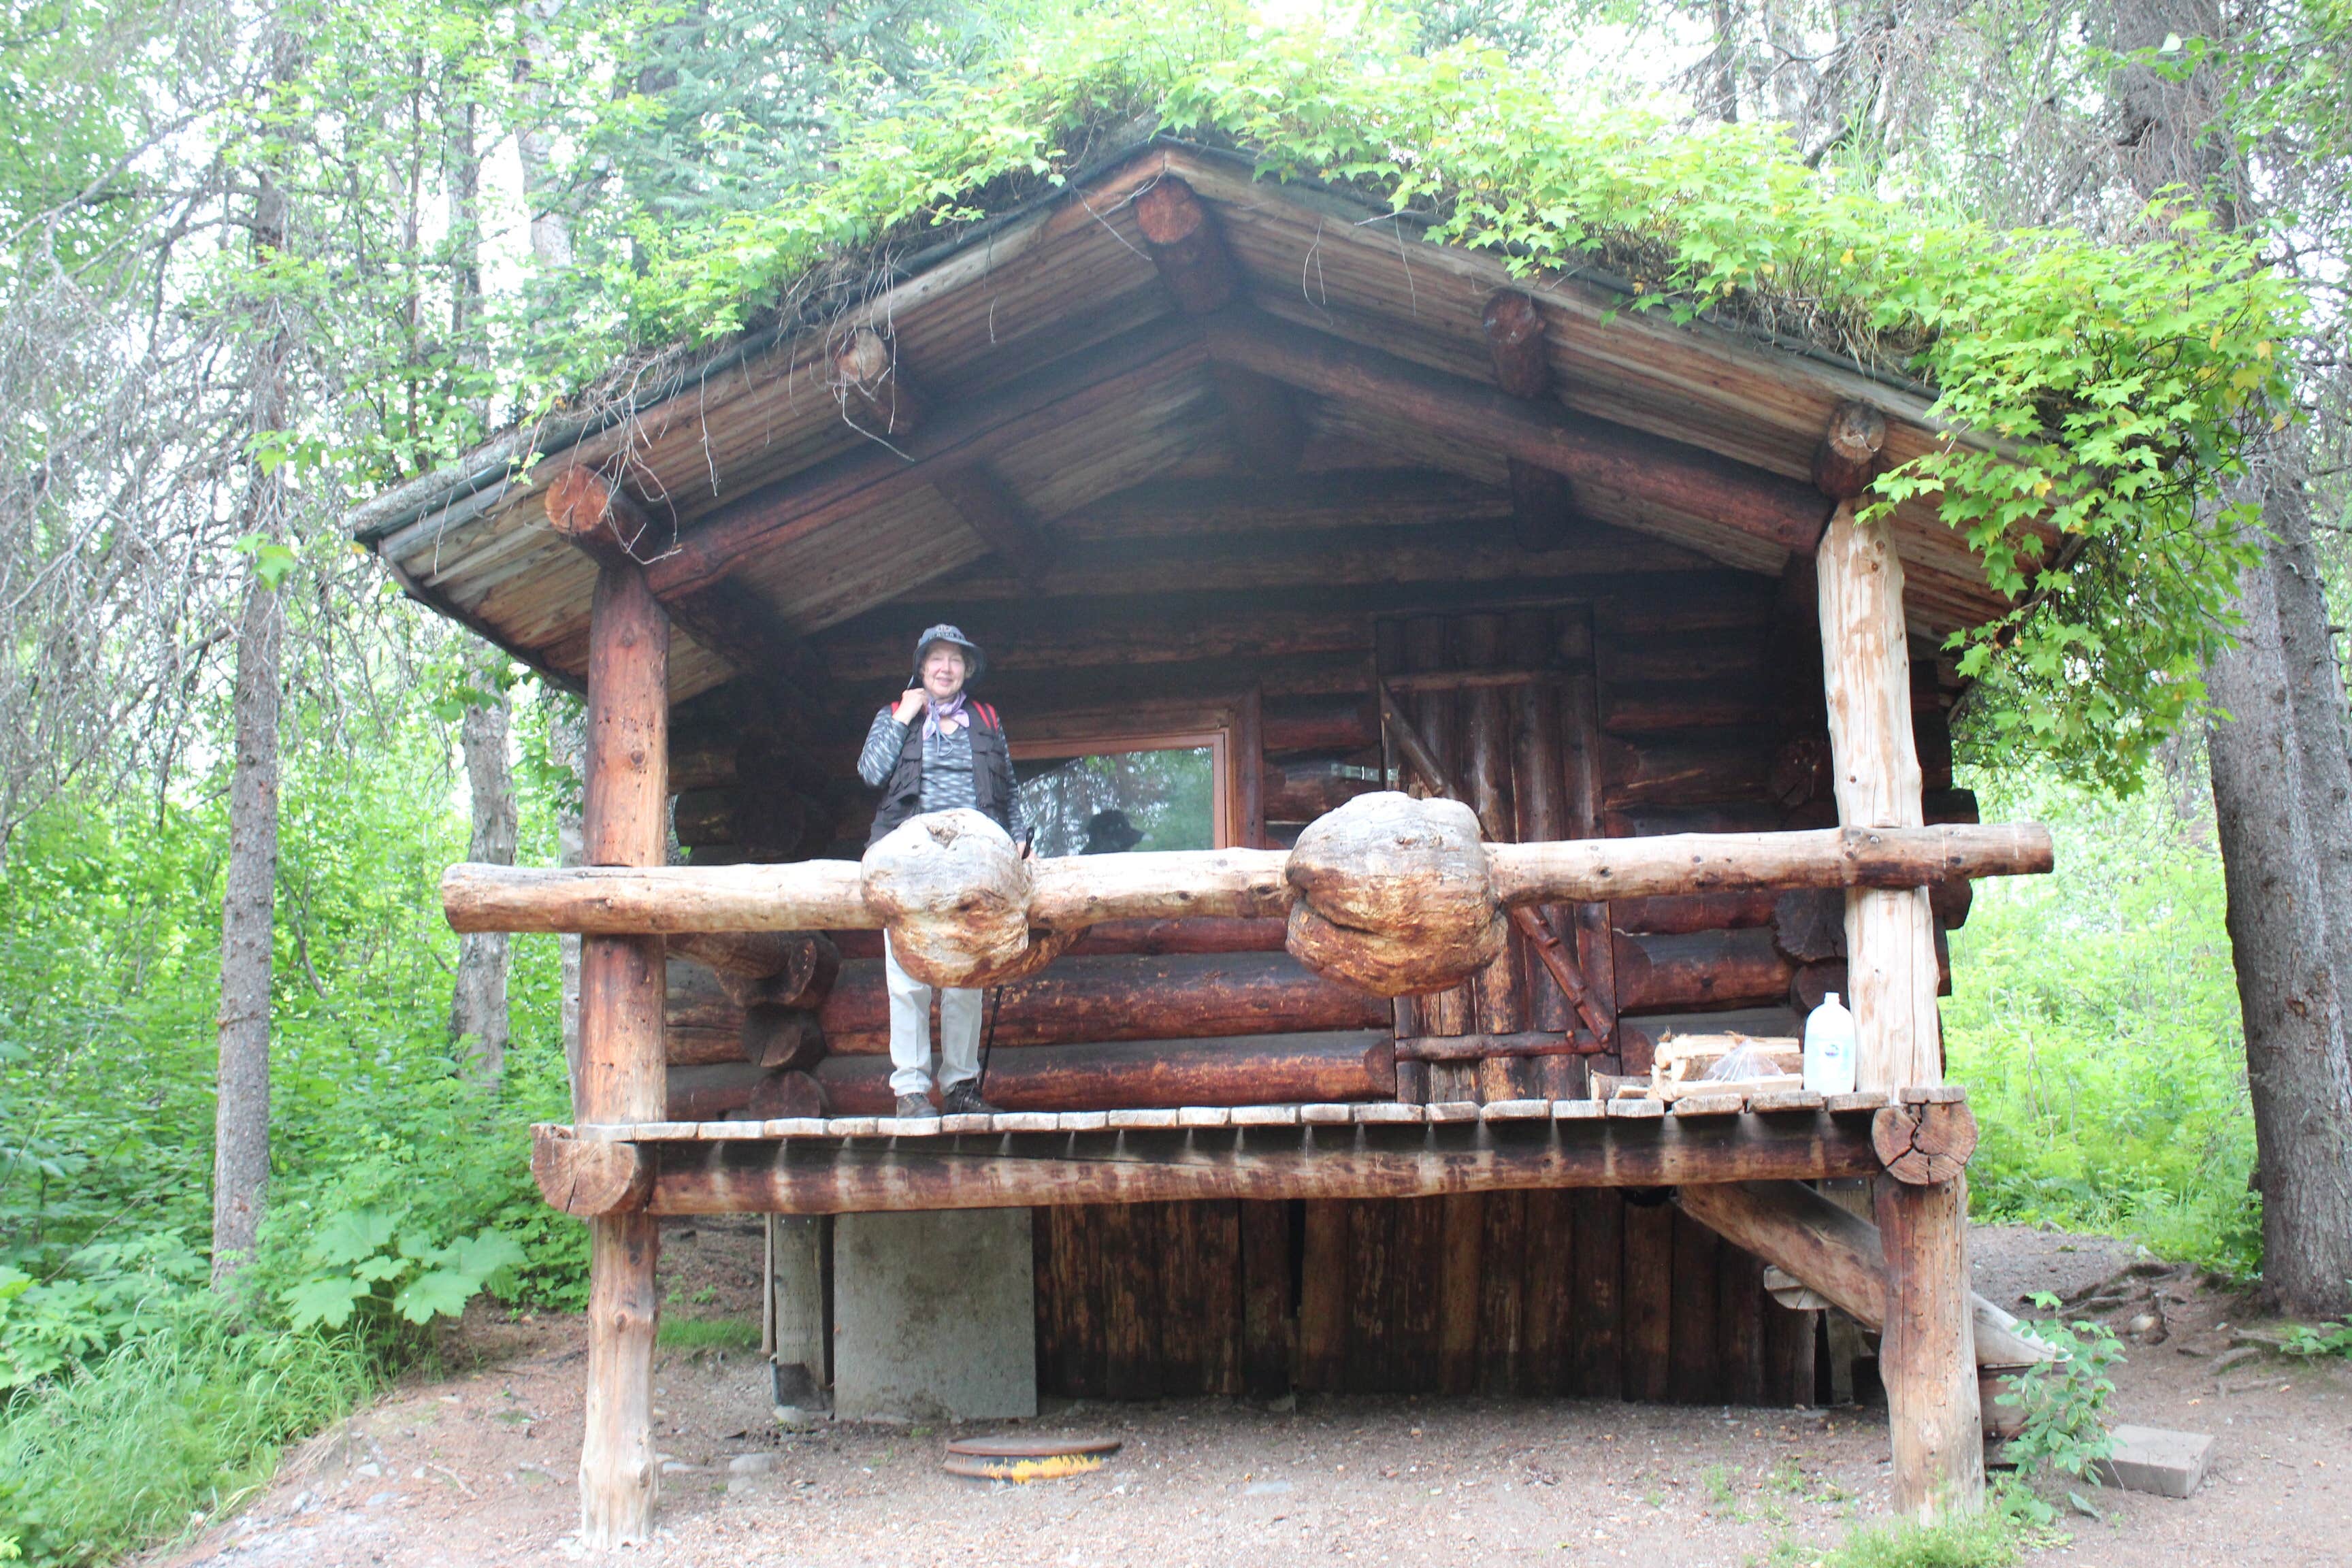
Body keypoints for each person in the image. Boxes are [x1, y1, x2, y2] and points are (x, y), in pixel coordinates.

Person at [856, 624, 1028, 1118]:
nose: (945, 668)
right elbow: (870, 772)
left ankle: (960, 1088)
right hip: (907, 864)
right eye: (936, 659)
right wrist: (904, 716)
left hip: (974, 866)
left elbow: (1009, 791)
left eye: (955, 660)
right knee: (907, 982)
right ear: (922, 667)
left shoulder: (987, 719)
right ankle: (910, 1092)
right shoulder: (895, 715)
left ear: (966, 669)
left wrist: (1020, 843)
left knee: (965, 982)